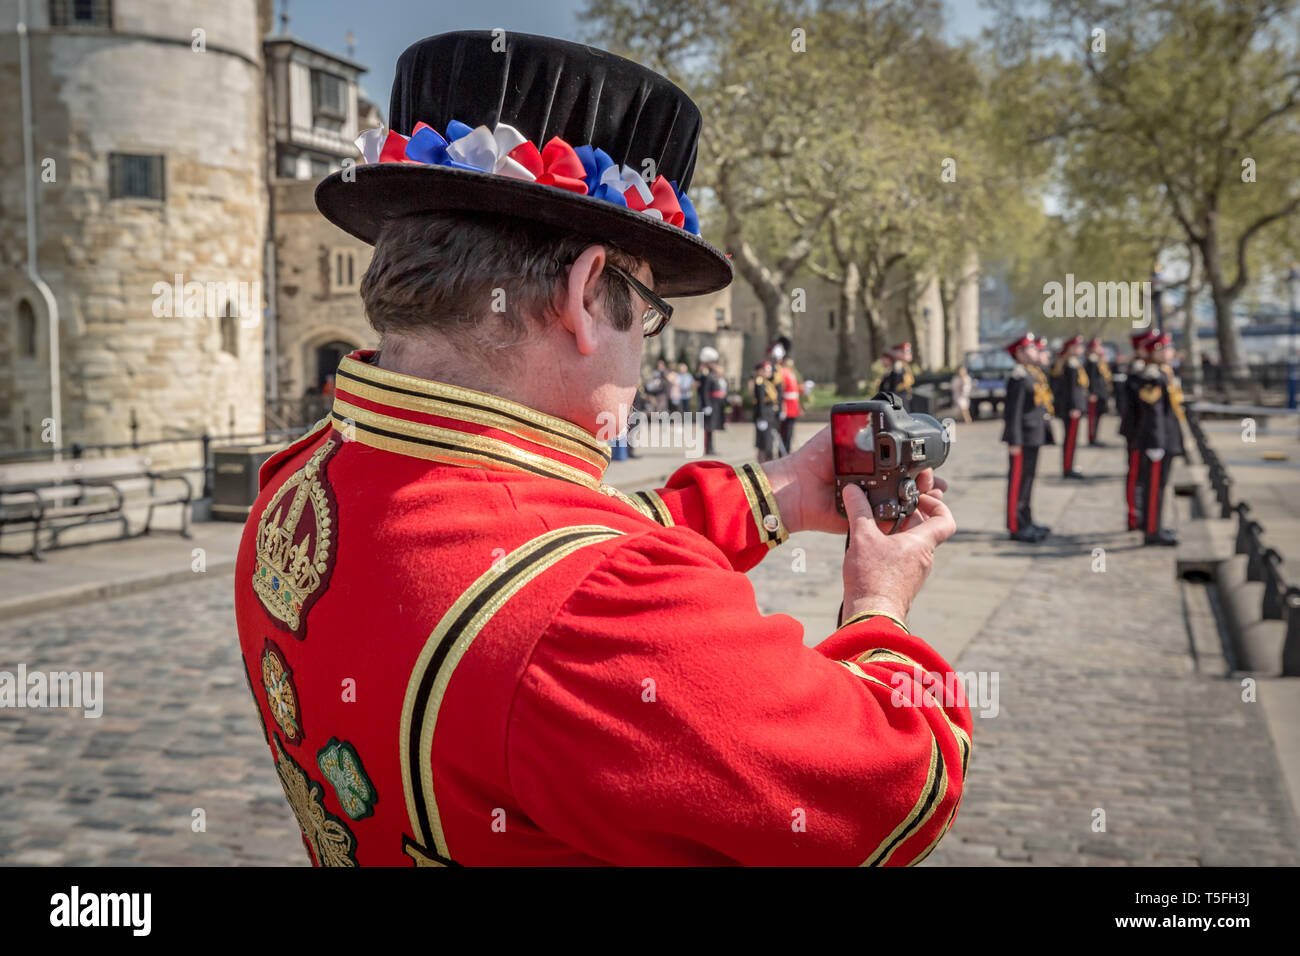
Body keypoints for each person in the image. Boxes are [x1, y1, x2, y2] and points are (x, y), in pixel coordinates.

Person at [235, 30, 966, 867]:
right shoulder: (595, 612)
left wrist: (779, 492)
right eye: (650, 311)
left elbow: (545, 544)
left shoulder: (294, 484)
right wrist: (880, 603)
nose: (646, 353)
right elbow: (895, 782)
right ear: (587, 295)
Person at [1133, 331, 1186, 545]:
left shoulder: (1164, 372)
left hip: (1165, 437)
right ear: (1158, 352)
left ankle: (1154, 525)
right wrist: (1156, 442)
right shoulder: (1152, 376)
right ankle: (1152, 531)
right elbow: (1152, 412)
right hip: (1157, 440)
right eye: (1167, 348)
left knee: (1160, 486)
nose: (1171, 352)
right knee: (1155, 487)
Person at [1002, 332, 1054, 542]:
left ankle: (1027, 520)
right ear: (1020, 354)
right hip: (1021, 438)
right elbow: (1013, 412)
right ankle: (1015, 526)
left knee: (1028, 482)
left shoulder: (1033, 374)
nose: (1035, 351)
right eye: (1031, 348)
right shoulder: (1019, 377)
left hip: (1033, 436)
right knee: (1018, 483)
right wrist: (1014, 440)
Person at [1119, 330, 1156, 531]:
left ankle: (1145, 513)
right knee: (1136, 476)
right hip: (1137, 433)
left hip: (1145, 433)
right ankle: (1134, 515)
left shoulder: (1147, 370)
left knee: (1145, 476)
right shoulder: (1137, 373)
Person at [1051, 334, 1089, 480]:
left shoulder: (1073, 362)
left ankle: (1070, 465)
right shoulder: (1070, 364)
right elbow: (1071, 389)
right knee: (1070, 439)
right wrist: (1074, 407)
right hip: (1071, 408)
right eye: (1078, 346)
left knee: (1072, 439)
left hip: (1073, 406)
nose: (1081, 348)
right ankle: (1067, 468)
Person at [697, 346, 728, 456]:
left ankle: (711, 448)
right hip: (709, 402)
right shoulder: (705, 373)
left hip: (714, 403)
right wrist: (706, 404)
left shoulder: (712, 373)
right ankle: (708, 449)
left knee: (712, 427)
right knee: (708, 427)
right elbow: (704, 391)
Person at [1084, 337, 1112, 446]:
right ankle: (1091, 438)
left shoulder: (1100, 360)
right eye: (1098, 346)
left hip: (1101, 393)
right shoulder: (1092, 361)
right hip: (1094, 394)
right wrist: (1091, 393)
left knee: (1099, 416)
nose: (1101, 348)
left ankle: (1095, 437)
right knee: (1093, 417)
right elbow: (1090, 379)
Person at [751, 359, 780, 461]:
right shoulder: (760, 383)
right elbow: (760, 402)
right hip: (764, 416)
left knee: (769, 442)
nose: (768, 373)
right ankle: (762, 463)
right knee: (763, 443)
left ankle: (768, 461)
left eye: (769, 371)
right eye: (766, 370)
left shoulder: (768, 383)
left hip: (769, 415)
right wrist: (761, 417)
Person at [879, 342, 916, 409]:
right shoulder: (897, 368)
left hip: (903, 400)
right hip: (897, 400)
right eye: (905, 352)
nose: (909, 354)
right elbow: (892, 387)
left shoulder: (903, 367)